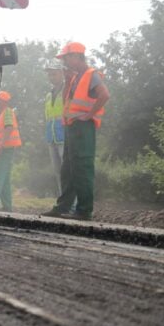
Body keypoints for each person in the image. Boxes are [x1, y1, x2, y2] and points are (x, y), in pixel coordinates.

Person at [44, 42, 110, 221]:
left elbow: (105, 95)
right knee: (68, 168)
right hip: (71, 126)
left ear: (76, 56)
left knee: (82, 167)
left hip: (83, 127)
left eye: (66, 58)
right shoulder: (74, 77)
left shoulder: (91, 75)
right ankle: (63, 207)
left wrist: (89, 114)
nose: (64, 61)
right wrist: (66, 81)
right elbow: (67, 101)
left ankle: (84, 210)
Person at [0, 91, 21, 212]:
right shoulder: (4, 113)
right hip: (7, 149)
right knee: (5, 178)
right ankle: (7, 207)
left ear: (2, 101)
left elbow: (9, 127)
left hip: (7, 149)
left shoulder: (6, 112)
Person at [43, 59, 67, 196]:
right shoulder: (48, 95)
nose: (51, 77)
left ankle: (73, 204)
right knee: (58, 172)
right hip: (51, 138)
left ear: (62, 73)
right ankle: (64, 201)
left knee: (67, 171)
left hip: (64, 136)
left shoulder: (67, 91)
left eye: (54, 74)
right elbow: (49, 118)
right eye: (49, 74)